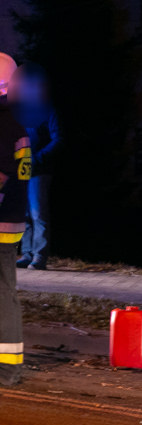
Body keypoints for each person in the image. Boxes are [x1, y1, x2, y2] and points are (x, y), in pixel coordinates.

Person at [8, 63, 63, 270]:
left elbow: (59, 140)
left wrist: (37, 159)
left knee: (38, 213)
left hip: (39, 170)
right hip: (19, 170)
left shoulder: (48, 110)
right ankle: (27, 253)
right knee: (24, 214)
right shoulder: (18, 111)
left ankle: (40, 256)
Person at [0, 53, 32, 385]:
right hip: (10, 222)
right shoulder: (14, 125)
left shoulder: (2, 125)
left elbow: (3, 174)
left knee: (2, 294)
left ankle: (7, 369)